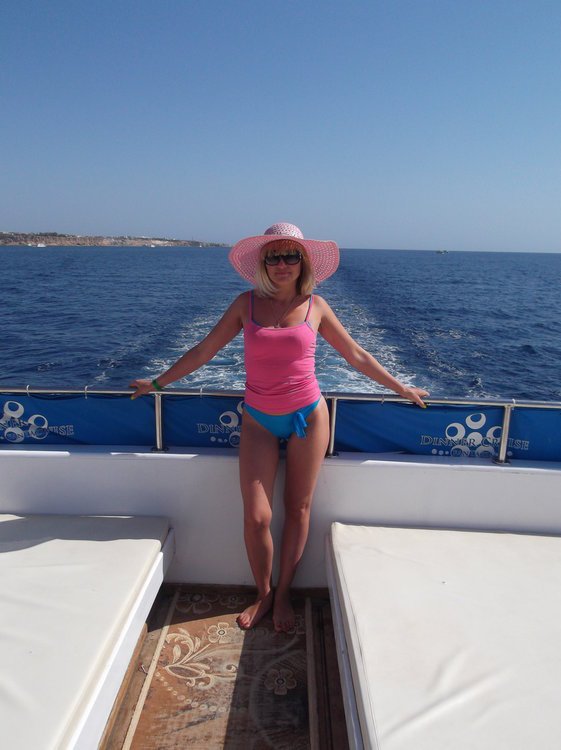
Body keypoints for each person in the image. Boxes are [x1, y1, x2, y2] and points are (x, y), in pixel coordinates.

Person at [130, 222, 428, 632]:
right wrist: (158, 383)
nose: (283, 264)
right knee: (256, 516)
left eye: (291, 256)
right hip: (258, 420)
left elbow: (355, 355)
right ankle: (264, 592)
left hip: (308, 416)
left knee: (298, 509)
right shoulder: (245, 304)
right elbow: (205, 350)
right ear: (263, 263)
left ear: (303, 262)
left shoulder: (316, 306)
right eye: (274, 256)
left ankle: (284, 592)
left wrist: (400, 388)